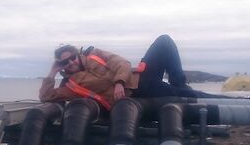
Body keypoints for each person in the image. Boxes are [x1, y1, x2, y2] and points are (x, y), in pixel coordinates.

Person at [39, 35, 224, 110]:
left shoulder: (94, 54)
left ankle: (178, 81)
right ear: (61, 66)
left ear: (77, 55)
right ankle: (230, 101)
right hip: (136, 93)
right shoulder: (70, 86)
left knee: (164, 42)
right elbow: (46, 96)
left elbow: (121, 62)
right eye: (65, 62)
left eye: (72, 57)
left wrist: (119, 81)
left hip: (137, 77)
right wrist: (52, 72)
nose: (70, 63)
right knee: (187, 95)